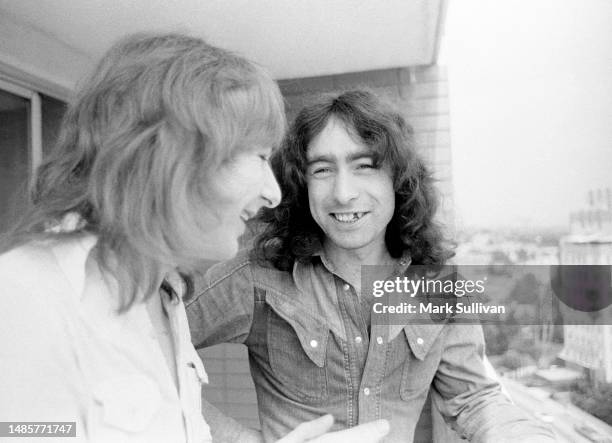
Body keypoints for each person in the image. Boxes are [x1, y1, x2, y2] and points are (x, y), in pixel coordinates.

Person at [0, 35, 389, 443]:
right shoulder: (25, 295)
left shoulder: (167, 297)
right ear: (176, 157)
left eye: (365, 166)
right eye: (259, 156)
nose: (274, 192)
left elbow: (464, 395)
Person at [187, 90, 556, 442]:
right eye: (322, 170)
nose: (343, 193)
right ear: (301, 184)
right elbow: (147, 343)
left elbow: (476, 398)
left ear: (398, 178)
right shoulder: (258, 275)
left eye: (364, 166)